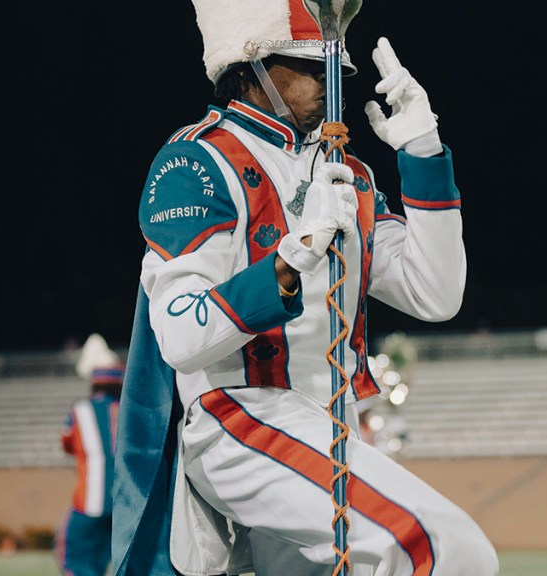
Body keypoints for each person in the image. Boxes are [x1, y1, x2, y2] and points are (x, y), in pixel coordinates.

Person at [110, 1, 499, 575]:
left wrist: (423, 152)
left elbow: (436, 294)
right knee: (443, 547)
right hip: (240, 417)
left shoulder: (350, 172)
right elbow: (180, 336)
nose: (331, 79)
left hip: (333, 425)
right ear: (249, 66)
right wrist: (291, 259)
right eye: (308, 65)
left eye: (334, 66)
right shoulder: (197, 160)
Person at [54, 334, 125, 576]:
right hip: (126, 505)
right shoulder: (133, 410)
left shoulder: (80, 411)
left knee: (75, 561)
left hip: (89, 503)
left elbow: (67, 444)